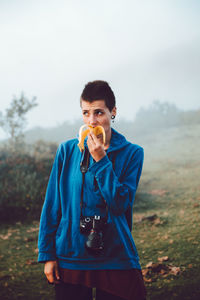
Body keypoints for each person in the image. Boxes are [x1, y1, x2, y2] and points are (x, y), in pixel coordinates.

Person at [38, 80, 146, 300]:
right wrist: (47, 255)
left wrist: (100, 159)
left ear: (113, 111)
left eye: (99, 112)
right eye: (86, 113)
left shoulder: (133, 153)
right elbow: (52, 205)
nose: (91, 120)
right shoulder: (67, 151)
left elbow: (120, 204)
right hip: (71, 252)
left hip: (115, 253)